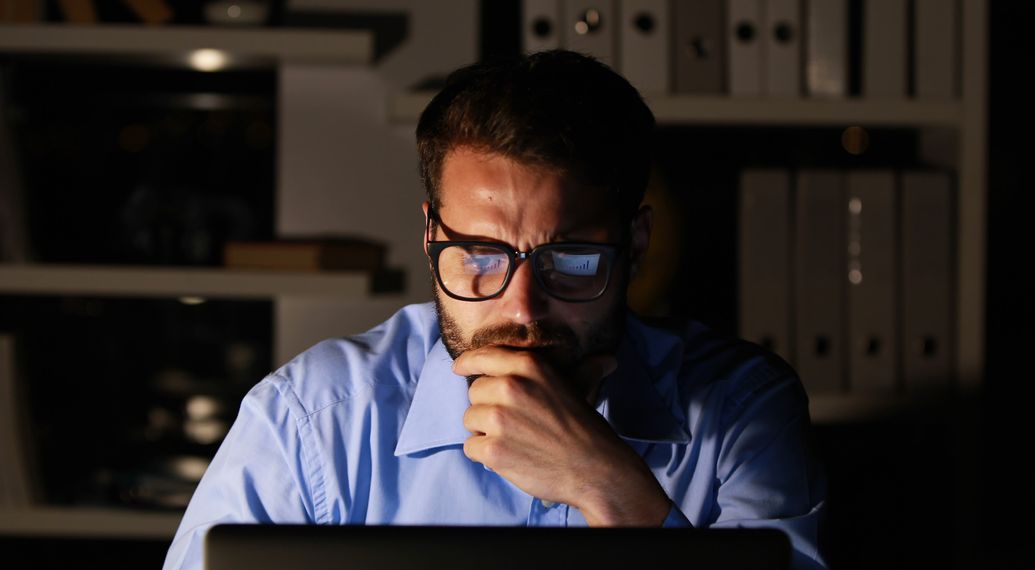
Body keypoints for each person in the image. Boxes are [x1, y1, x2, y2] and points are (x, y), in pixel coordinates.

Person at [164, 50, 827, 569]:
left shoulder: (742, 407)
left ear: (636, 244)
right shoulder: (312, 421)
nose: (521, 306)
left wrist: (606, 487)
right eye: (479, 253)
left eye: (568, 260)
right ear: (431, 239)